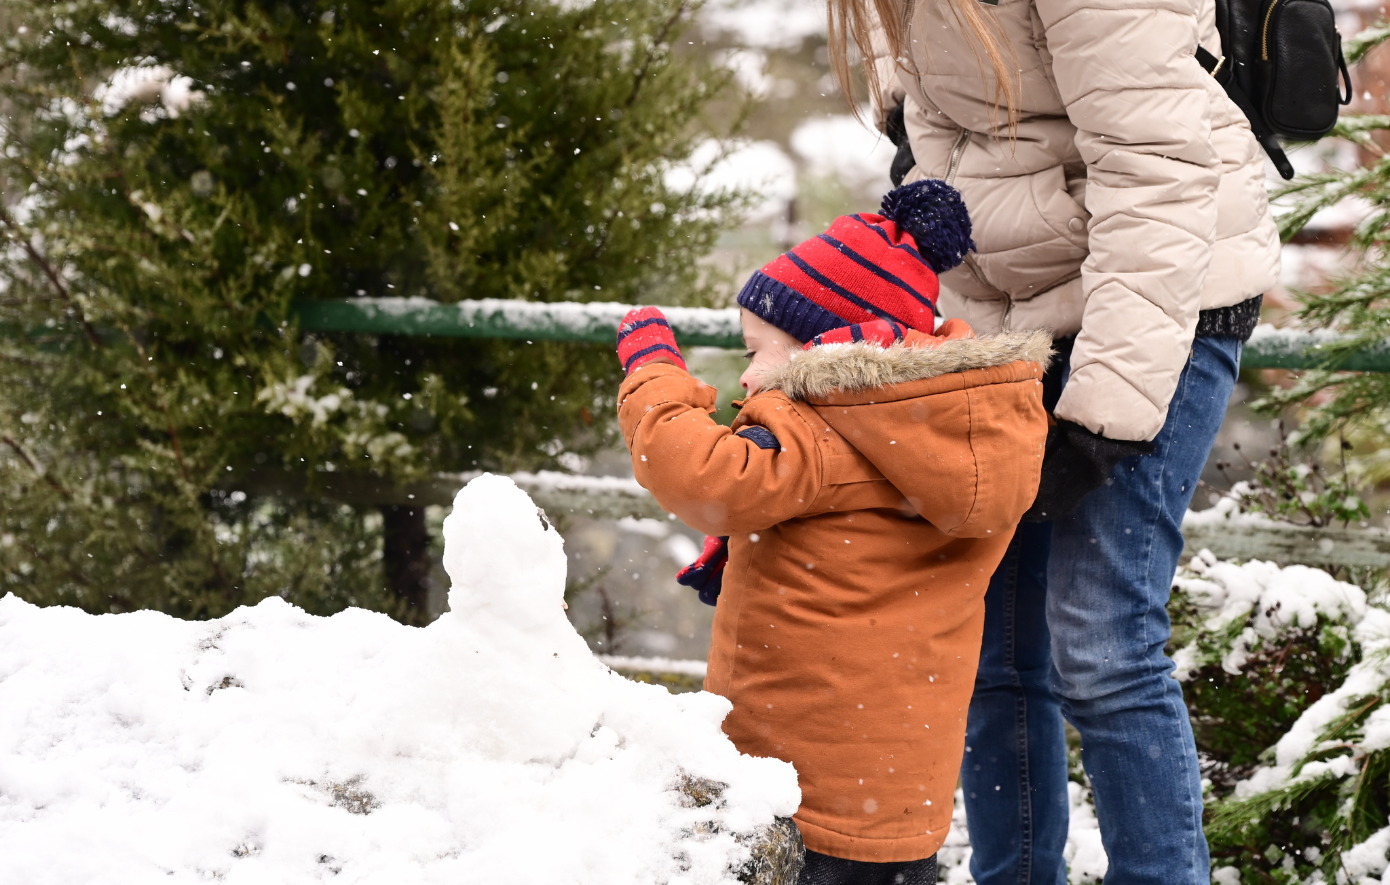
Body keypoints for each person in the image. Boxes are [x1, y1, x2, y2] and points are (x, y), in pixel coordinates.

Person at [825, 0, 1282, 883]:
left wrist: (1100, 418)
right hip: (1014, 308)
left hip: (1159, 298)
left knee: (1100, 634)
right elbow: (949, 126)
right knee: (989, 638)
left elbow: (1156, 173)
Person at [614, 179, 1051, 885]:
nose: (750, 374)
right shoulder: (945, 431)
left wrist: (653, 372)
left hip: (803, 788)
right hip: (899, 802)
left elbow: (701, 475)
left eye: (760, 351)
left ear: (824, 349)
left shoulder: (821, 430)